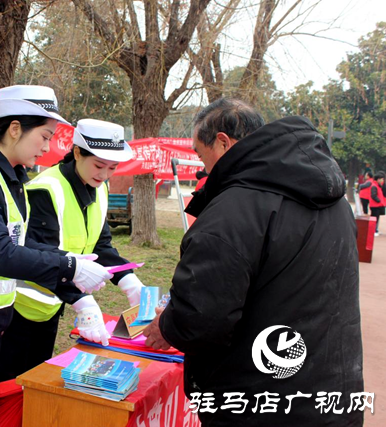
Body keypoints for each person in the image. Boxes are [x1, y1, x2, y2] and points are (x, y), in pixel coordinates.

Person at [143, 98, 363, 425]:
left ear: (222, 142)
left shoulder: (234, 210)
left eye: (201, 156)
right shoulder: (334, 201)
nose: (203, 168)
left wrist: (167, 325)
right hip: (331, 396)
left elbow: (201, 319)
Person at [0, 85, 112, 387]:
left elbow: (22, 242)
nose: (47, 148)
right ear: (15, 129)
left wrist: (67, 260)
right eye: (45, 137)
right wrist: (70, 268)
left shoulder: (12, 176)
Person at [0, 119, 145, 382]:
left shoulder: (100, 188)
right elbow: (37, 253)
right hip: (16, 309)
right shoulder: (46, 189)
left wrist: (130, 281)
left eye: (112, 168)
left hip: (51, 306)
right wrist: (81, 301)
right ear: (77, 153)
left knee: (35, 380)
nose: (105, 175)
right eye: (99, 165)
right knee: (7, 383)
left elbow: (100, 244)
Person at [369, 171, 385, 235]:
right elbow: (373, 195)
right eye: (382, 179)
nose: (382, 181)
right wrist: (379, 201)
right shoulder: (374, 186)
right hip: (375, 206)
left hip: (377, 206)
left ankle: (375, 230)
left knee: (376, 219)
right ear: (378, 179)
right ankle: (373, 230)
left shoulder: (377, 186)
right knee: (374, 219)